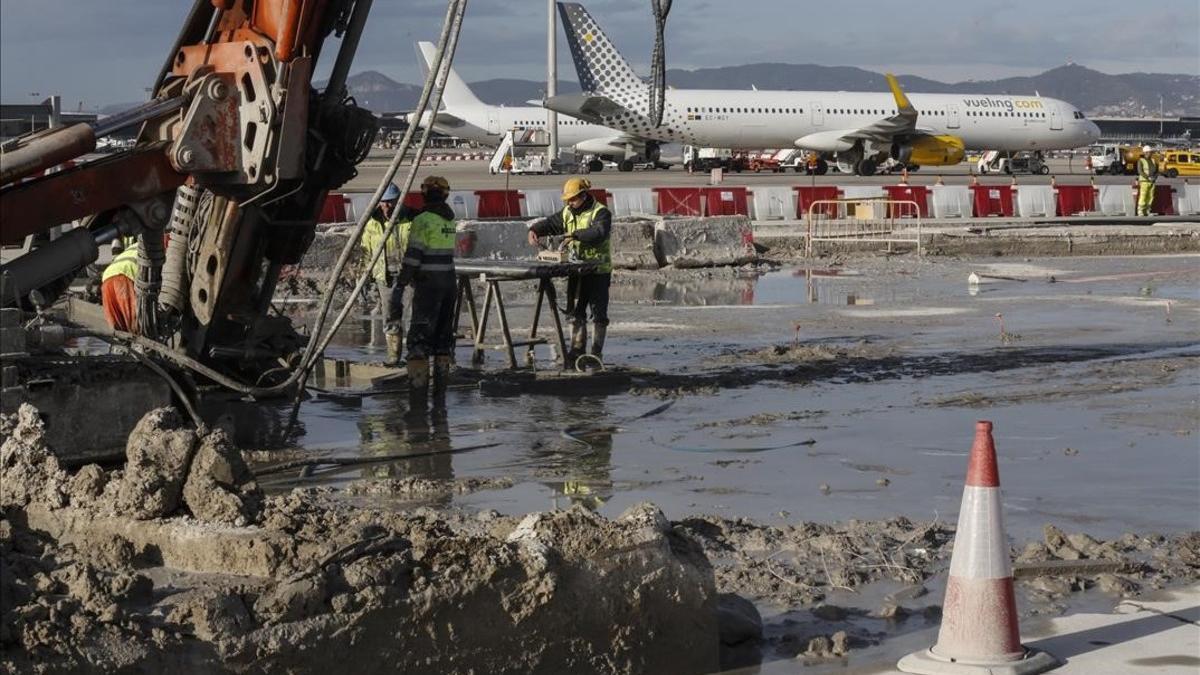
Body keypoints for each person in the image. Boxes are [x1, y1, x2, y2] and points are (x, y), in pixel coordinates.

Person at [527, 177, 612, 365]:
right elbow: (551, 223)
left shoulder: (601, 213)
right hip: (577, 270)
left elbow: (598, 233)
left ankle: (596, 354)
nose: (569, 202)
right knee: (575, 312)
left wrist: (575, 235)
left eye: (572, 199)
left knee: (599, 315)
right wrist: (534, 230)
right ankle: (577, 350)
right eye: (567, 200)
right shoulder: (568, 212)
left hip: (598, 271)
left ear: (583, 196)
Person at [395, 176, 457, 402]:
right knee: (442, 342)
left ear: (424, 194)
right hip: (449, 284)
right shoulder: (449, 219)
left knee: (419, 341)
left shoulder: (423, 220)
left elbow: (414, 256)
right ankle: (440, 400)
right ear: (446, 195)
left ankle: (418, 402)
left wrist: (402, 282)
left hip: (428, 286)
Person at [360, 183, 416, 365]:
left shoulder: (412, 219)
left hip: (409, 275)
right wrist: (365, 273)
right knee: (391, 315)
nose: (387, 206)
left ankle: (416, 356)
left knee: (415, 314)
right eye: (383, 202)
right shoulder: (372, 223)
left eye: (390, 202)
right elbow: (366, 250)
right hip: (385, 276)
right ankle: (393, 356)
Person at [101, 237, 140, 333]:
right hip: (124, 277)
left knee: (117, 327)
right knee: (133, 325)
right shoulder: (166, 245)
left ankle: (119, 346)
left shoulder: (138, 245)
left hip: (107, 276)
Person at [1136, 145, 1158, 217]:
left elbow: (1157, 171)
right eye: (1149, 152)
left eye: (1151, 152)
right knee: (1143, 196)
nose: (1151, 153)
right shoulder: (1141, 160)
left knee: (1150, 196)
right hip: (1144, 181)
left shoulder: (1153, 161)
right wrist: (1148, 178)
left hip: (1152, 181)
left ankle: (1147, 211)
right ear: (1145, 152)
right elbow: (1140, 171)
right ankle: (1140, 211)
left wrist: (1154, 178)